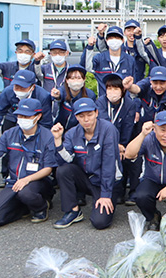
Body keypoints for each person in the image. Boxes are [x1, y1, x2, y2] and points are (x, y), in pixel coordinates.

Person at [0, 99, 57, 227]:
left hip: (37, 181)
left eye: (27, 116)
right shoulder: (10, 134)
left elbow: (48, 168)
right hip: (13, 183)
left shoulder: (47, 136)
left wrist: (27, 179)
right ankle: (24, 208)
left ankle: (41, 207)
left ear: (38, 116)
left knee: (26, 193)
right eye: (20, 116)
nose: (22, 119)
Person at [52, 98, 121, 230]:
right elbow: (65, 161)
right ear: (76, 117)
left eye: (89, 114)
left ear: (96, 113)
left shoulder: (108, 129)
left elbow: (109, 163)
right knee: (63, 170)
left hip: (106, 182)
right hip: (87, 179)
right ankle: (72, 210)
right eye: (81, 116)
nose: (86, 119)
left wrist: (106, 194)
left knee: (100, 222)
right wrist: (58, 141)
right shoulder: (72, 133)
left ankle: (105, 198)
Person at [0, 69, 54, 186]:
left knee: (34, 147)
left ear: (32, 87)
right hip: (13, 118)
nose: (18, 90)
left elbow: (46, 121)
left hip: (34, 121)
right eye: (16, 87)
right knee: (10, 145)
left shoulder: (43, 96)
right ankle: (7, 176)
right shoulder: (8, 92)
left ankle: (38, 175)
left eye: (22, 88)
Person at [96, 73, 142, 205]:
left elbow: (128, 126)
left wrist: (123, 145)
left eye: (116, 88)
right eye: (109, 88)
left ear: (123, 90)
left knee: (132, 159)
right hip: (106, 141)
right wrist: (115, 145)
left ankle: (133, 192)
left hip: (125, 140)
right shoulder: (100, 102)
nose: (112, 92)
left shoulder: (129, 104)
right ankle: (118, 191)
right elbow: (104, 124)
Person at [124, 67, 166, 137]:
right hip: (147, 127)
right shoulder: (146, 84)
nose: (158, 87)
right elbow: (137, 89)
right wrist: (130, 87)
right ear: (150, 80)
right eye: (155, 83)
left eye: (162, 83)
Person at [84, 25, 137, 92]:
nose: (114, 40)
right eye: (111, 38)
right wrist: (90, 47)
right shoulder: (99, 58)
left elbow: (133, 81)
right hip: (104, 99)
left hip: (124, 100)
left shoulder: (129, 59)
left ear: (123, 40)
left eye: (117, 38)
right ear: (106, 40)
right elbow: (88, 68)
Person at [50, 66, 96, 131]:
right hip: (61, 128)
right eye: (72, 78)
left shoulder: (90, 95)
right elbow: (58, 95)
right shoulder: (63, 90)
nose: (76, 81)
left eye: (79, 78)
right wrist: (57, 96)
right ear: (67, 80)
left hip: (80, 130)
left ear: (84, 79)